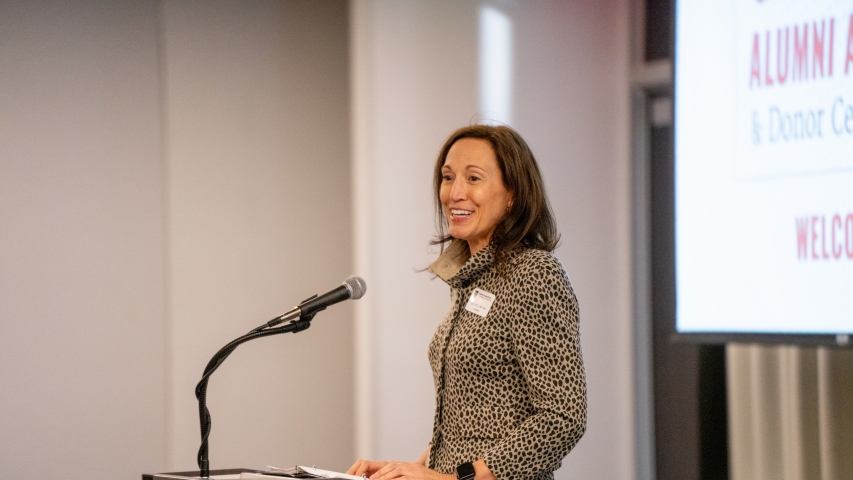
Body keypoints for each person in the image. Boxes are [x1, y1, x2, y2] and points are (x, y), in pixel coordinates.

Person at [348, 125, 586, 480]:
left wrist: (457, 478)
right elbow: (470, 424)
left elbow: (564, 417)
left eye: (473, 178)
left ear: (513, 195)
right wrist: (413, 469)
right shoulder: (470, 280)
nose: (455, 193)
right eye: (447, 177)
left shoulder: (534, 273)